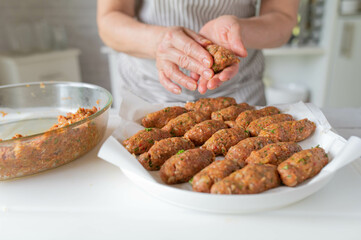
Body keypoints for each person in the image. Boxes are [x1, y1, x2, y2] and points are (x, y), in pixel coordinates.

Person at [97, 0, 299, 105]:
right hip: (148, 95)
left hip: (239, 95)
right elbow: (109, 20)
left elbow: (282, 17)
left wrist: (239, 32)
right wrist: (159, 41)